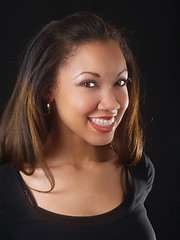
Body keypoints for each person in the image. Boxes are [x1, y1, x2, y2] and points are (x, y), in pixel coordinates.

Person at [0, 11, 156, 239]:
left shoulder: (137, 170)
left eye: (120, 82)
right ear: (47, 89)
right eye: (89, 83)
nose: (112, 103)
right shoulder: (5, 191)